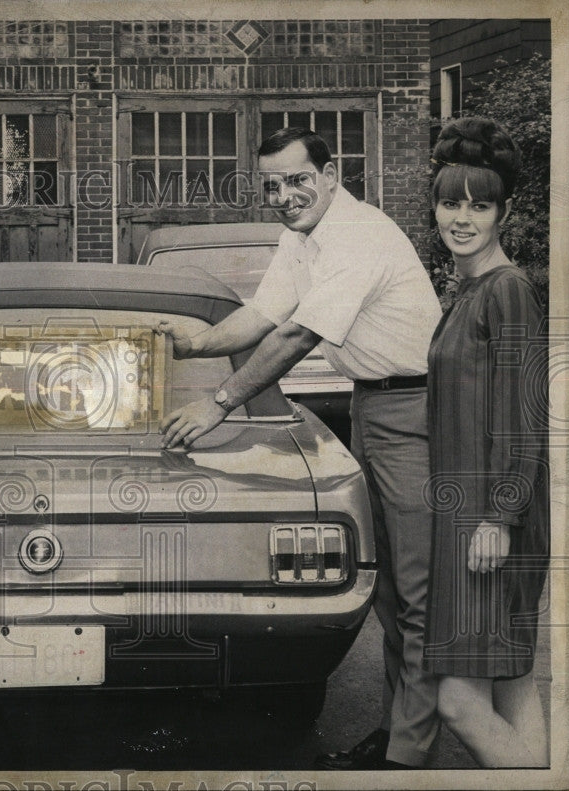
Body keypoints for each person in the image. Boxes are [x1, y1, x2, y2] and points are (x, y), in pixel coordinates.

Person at [157, 127, 444, 768]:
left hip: (418, 405)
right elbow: (262, 314)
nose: (285, 196)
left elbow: (296, 336)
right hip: (373, 402)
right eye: (271, 186)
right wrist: (197, 342)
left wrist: (218, 402)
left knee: (418, 592)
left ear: (332, 173)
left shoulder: (358, 235)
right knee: (391, 587)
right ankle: (401, 732)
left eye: (297, 179)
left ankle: (407, 757)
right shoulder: (301, 237)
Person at [424, 117, 549, 767]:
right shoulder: (469, 290)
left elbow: (526, 413)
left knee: (460, 701)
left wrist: (499, 516)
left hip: (491, 520)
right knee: (513, 684)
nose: (462, 218)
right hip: (470, 518)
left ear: (505, 210)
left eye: (480, 204)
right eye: (451, 202)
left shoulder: (508, 290)